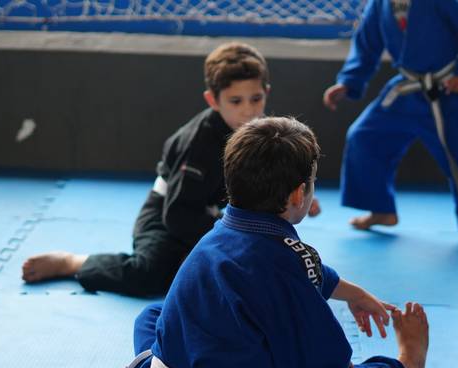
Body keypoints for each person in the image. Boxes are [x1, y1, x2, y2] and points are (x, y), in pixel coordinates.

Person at [115, 117, 430, 368]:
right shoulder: (285, 259)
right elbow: (321, 365)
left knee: (153, 314)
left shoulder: (216, 235)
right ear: (298, 195)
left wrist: (353, 294)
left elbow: (301, 273)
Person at [20, 42, 321, 296]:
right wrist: (228, 238)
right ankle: (72, 262)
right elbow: (178, 215)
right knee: (150, 275)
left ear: (266, 91)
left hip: (213, 215)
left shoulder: (260, 131)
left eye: (256, 99)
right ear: (213, 100)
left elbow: (274, 169)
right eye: (235, 101)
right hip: (167, 215)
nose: (249, 110)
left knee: (254, 257)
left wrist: (297, 192)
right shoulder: (198, 143)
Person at [323, 0, 458, 252]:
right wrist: (349, 82)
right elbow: (367, 45)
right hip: (407, 90)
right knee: (364, 138)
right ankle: (381, 210)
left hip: (448, 92)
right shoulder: (380, 5)